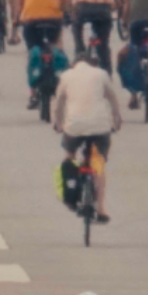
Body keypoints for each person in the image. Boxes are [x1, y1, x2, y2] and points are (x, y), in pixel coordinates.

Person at [50, 51, 122, 222]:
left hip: (74, 125)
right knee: (99, 164)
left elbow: (59, 102)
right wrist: (117, 119)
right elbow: (113, 98)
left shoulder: (67, 75)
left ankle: (71, 189)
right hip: (100, 125)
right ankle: (102, 209)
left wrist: (58, 123)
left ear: (74, 64)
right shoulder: (101, 74)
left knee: (69, 156)